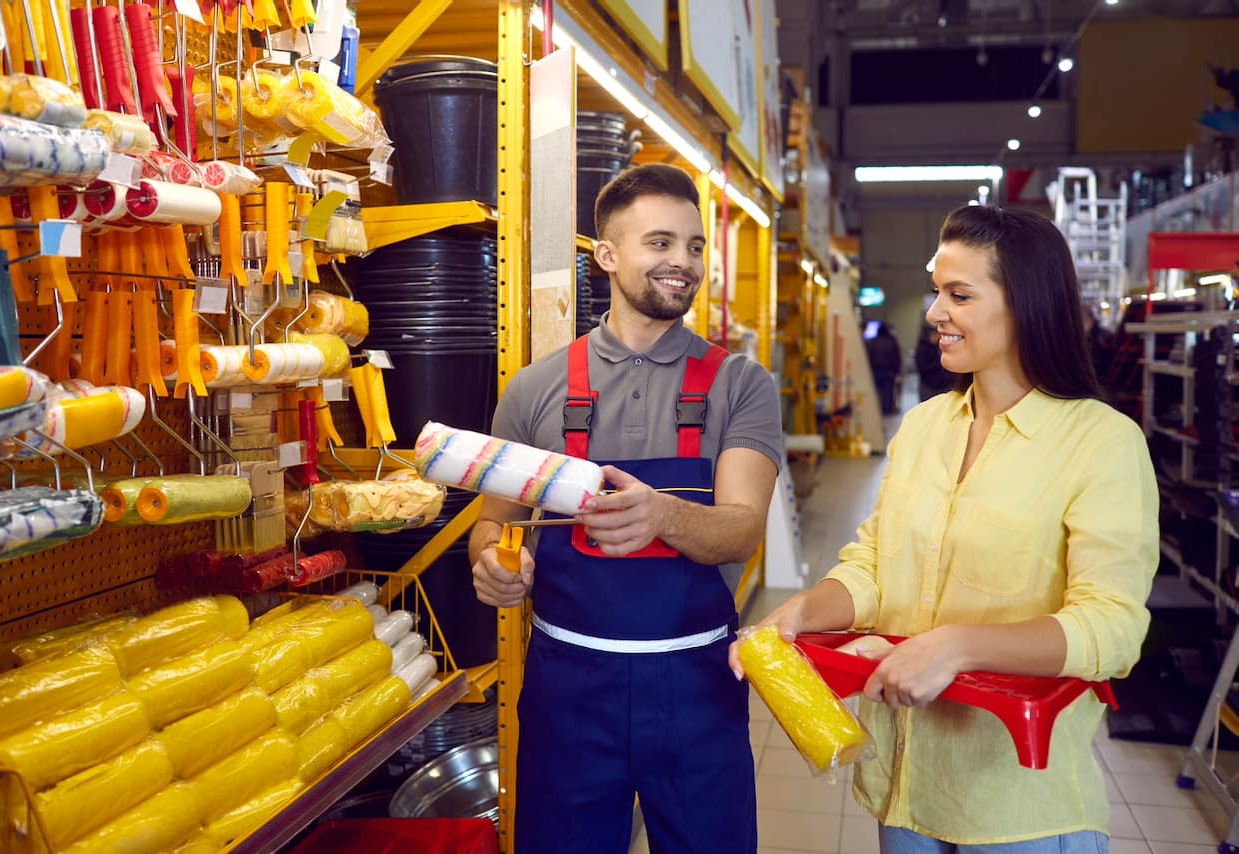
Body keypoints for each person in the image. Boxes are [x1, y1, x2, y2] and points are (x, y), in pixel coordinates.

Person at [730, 205, 1158, 852]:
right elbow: (873, 566)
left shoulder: (1100, 442)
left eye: (959, 295)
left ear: (1028, 307)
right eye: (937, 292)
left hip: (1017, 806)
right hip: (903, 786)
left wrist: (957, 646)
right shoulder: (928, 426)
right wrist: (797, 615)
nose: (934, 313)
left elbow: (1113, 629)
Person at [469, 163, 783, 853]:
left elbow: (743, 529)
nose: (684, 263)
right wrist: (494, 562)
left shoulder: (740, 385)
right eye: (661, 243)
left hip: (697, 685)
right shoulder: (536, 390)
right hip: (570, 692)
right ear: (606, 256)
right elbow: (496, 522)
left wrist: (664, 517)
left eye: (696, 247)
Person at [865, 322, 903, 414]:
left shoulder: (873, 342)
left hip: (875, 369)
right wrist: (897, 370)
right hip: (888, 370)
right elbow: (896, 357)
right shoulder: (891, 341)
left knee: (877, 391)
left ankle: (877, 410)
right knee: (888, 391)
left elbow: (869, 356)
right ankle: (888, 409)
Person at [914, 323, 955, 401]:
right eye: (937, 334)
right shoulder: (923, 348)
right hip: (929, 385)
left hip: (943, 385)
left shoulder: (939, 346)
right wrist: (940, 363)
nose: (939, 337)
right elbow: (923, 368)